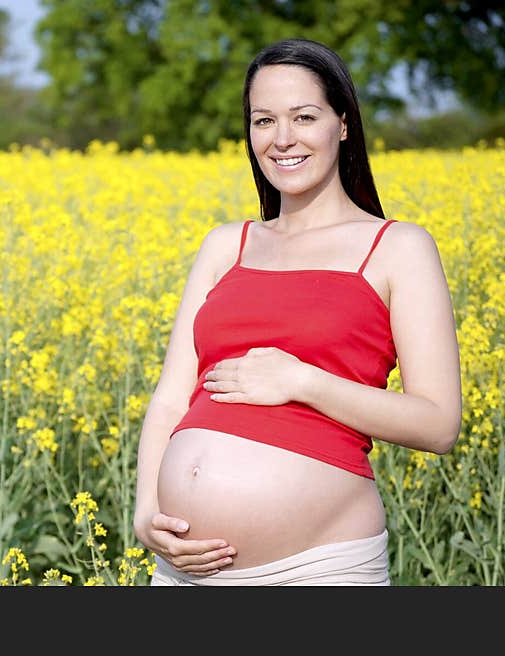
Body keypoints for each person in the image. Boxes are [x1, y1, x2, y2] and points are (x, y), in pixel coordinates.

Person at [133, 37, 462, 586]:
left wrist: (302, 381)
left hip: (318, 569)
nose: (282, 139)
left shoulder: (397, 247)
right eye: (263, 121)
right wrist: (146, 512)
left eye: (303, 117)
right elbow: (171, 397)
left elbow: (438, 423)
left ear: (343, 124)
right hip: (182, 569)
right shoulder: (225, 245)